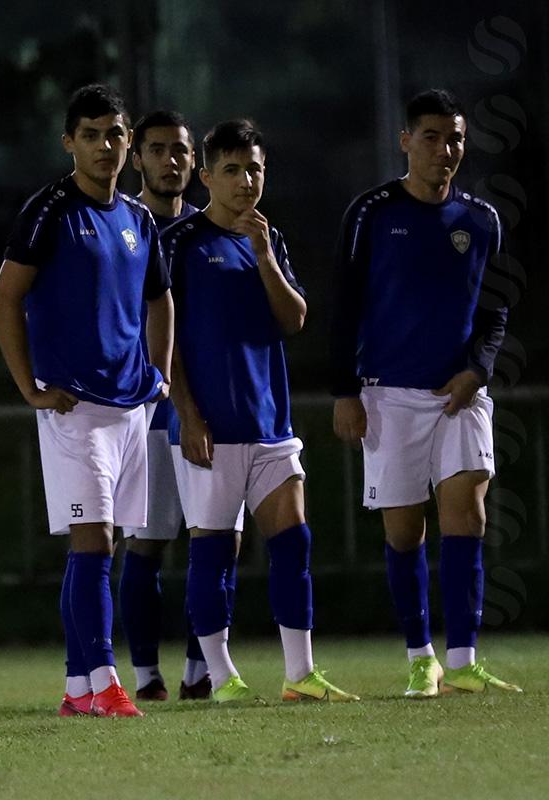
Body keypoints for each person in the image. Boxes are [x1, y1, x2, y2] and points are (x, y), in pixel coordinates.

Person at [330, 89, 521, 697]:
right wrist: (344, 391)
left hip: (459, 395)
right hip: (388, 393)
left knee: (468, 514)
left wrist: (477, 370)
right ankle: (422, 657)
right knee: (404, 531)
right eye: (432, 137)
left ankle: (463, 659)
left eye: (455, 138)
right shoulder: (371, 212)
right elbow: (344, 306)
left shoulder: (481, 219)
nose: (445, 149)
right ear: (405, 141)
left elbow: (494, 312)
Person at [0, 84, 172, 717]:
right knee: (92, 542)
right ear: (69, 142)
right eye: (90, 135)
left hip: (130, 404)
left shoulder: (139, 219)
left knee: (103, 544)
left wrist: (159, 373)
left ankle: (76, 689)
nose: (104, 146)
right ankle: (107, 683)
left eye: (114, 134)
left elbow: (160, 298)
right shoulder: (49, 210)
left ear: (129, 142)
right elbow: (4, 299)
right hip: (74, 407)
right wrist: (30, 388)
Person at [166, 119, 357, 703]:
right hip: (210, 429)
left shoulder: (267, 239)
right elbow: (160, 338)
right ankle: (221, 677)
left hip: (269, 423)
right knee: (213, 552)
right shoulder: (179, 242)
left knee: (294, 542)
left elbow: (294, 318)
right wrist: (188, 415)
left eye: (254, 170)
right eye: (232, 170)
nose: (245, 181)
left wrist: (264, 254)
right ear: (206, 178)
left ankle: (300, 674)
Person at [120, 110, 244, 702]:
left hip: (209, 411)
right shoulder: (124, 226)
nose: (171, 161)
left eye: (181, 150)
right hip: (148, 412)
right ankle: (146, 674)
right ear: (137, 158)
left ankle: (200, 668)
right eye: (157, 149)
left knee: (219, 540)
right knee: (147, 540)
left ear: (196, 162)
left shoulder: (207, 229)